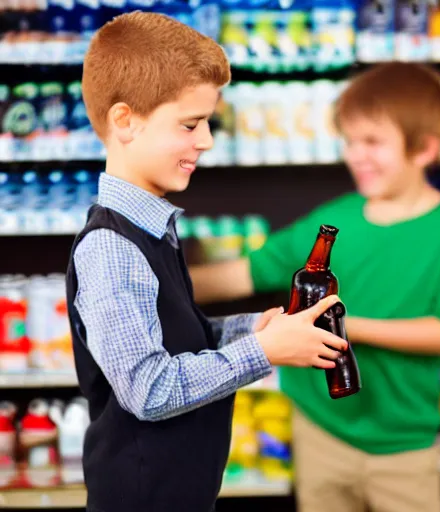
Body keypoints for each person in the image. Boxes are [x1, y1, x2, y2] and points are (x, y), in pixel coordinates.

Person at [64, 12, 347, 512]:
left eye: (208, 123)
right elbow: (149, 390)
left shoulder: (156, 228)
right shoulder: (111, 248)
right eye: (191, 124)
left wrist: (252, 330)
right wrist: (263, 353)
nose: (207, 140)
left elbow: (180, 338)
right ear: (125, 121)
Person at [190, 62, 440, 512]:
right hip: (321, 430)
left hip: (404, 446)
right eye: (349, 141)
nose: (355, 155)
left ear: (424, 148)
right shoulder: (335, 220)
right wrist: (155, 282)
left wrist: (342, 326)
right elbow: (245, 273)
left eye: (372, 142)